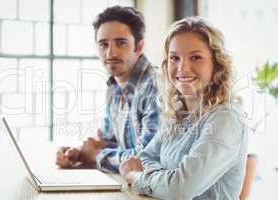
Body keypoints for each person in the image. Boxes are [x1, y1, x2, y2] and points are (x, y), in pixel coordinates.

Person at [120, 16, 248, 200]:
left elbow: (180, 189)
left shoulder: (226, 118)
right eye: (174, 58)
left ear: (217, 63)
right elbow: (143, 158)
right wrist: (166, 179)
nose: (182, 68)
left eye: (195, 57)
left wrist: (136, 177)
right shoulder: (178, 113)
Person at [56, 6, 159, 173]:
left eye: (120, 43)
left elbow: (147, 158)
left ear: (139, 47)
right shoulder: (114, 86)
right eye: (103, 44)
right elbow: (110, 141)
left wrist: (97, 155)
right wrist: (80, 154)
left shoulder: (155, 87)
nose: (111, 53)